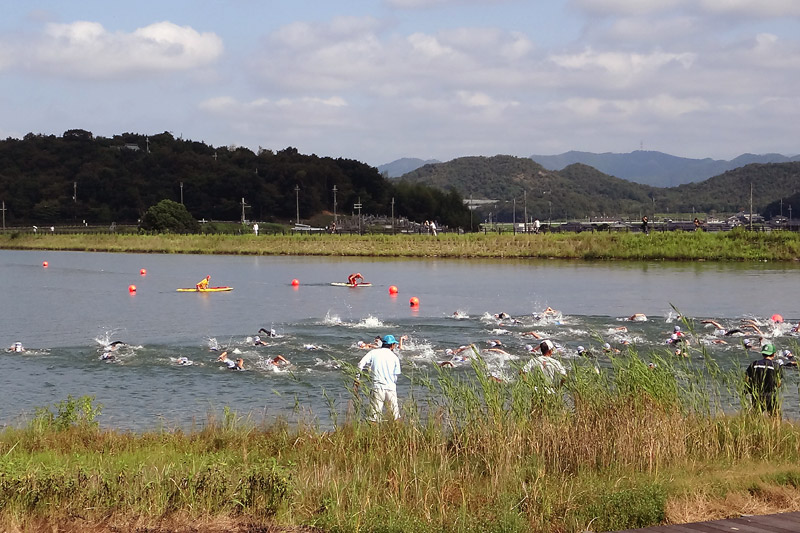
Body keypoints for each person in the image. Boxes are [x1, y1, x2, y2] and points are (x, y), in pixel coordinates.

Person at [356, 334, 402, 421]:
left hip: (377, 387)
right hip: (391, 388)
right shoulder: (395, 357)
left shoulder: (373, 353)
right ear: (392, 345)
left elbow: (360, 364)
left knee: (374, 418)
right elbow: (396, 376)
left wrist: (357, 379)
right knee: (395, 417)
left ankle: (374, 429)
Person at [745, 343, 781, 415]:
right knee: (775, 416)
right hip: (770, 395)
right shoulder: (776, 366)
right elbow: (778, 383)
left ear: (762, 353)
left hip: (757, 394)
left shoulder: (755, 364)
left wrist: (751, 389)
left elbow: (746, 379)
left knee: (755, 415)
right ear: (773, 354)